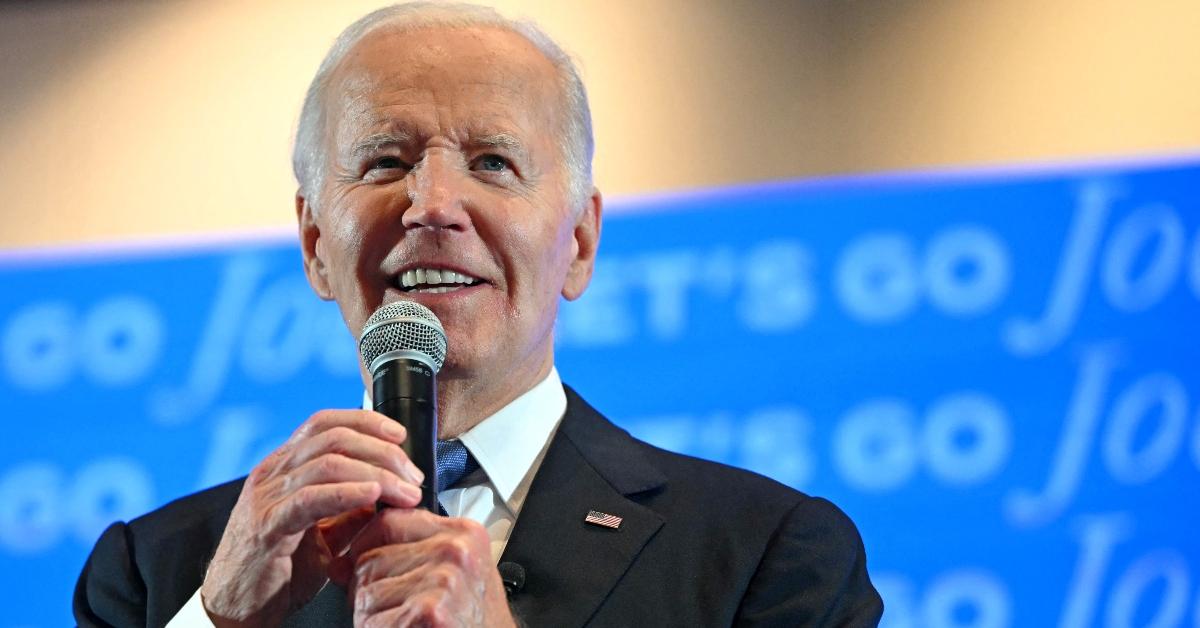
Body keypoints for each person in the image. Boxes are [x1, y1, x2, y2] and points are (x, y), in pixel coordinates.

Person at [74, 3, 884, 626]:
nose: (432, 205)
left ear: (579, 242)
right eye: (385, 161)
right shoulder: (159, 572)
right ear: (317, 245)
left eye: (492, 162)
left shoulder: (767, 555)